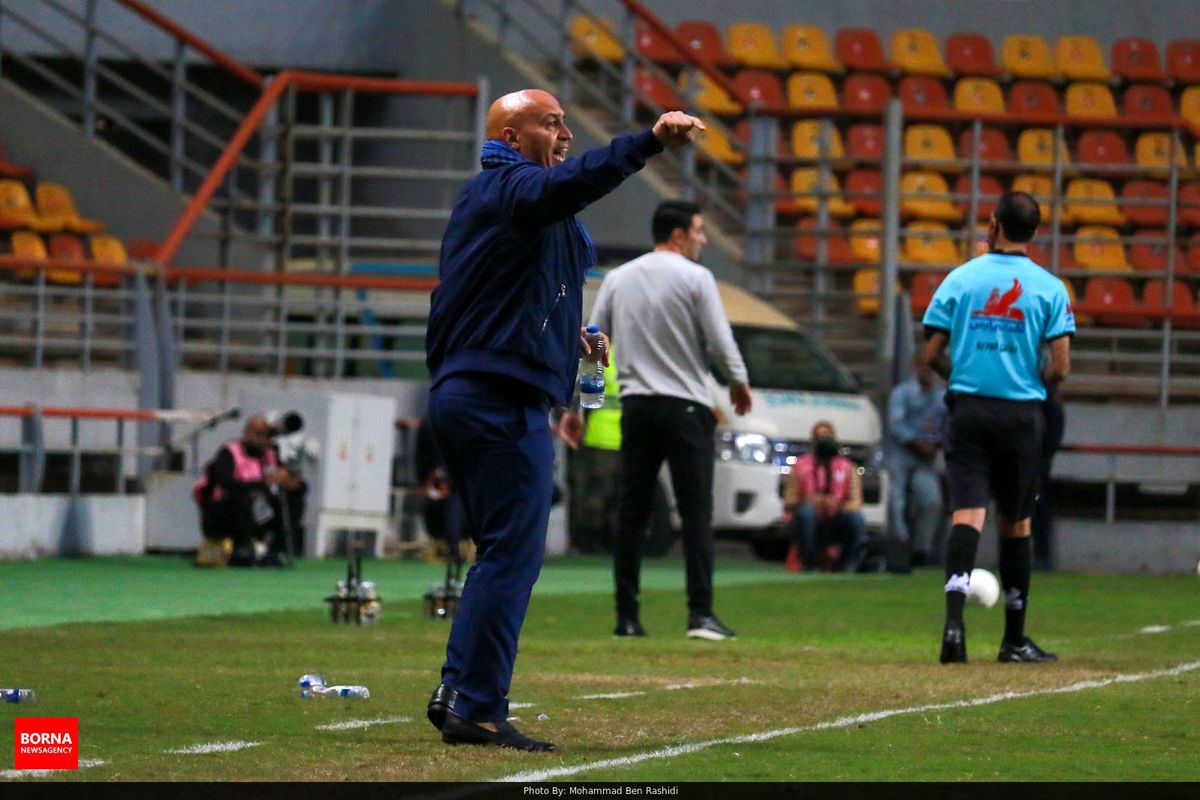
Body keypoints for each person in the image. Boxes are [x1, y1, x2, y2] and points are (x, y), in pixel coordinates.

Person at [422, 89, 705, 752]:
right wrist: (647, 142)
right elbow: (569, 188)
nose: (566, 134)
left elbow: (505, 290)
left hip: (478, 392)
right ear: (512, 137)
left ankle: (458, 688)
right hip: (496, 400)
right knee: (511, 556)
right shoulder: (513, 188)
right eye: (551, 123)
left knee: (499, 552)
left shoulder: (509, 202)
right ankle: (478, 706)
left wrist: (567, 338)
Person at [576, 199, 752, 642]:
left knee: (632, 514)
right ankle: (700, 615)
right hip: (686, 409)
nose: (703, 239)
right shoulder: (697, 278)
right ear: (678, 234)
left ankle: (627, 618)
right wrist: (738, 381)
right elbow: (718, 339)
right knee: (695, 513)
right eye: (698, 230)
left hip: (637, 408)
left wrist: (587, 403)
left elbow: (595, 341)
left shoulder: (618, 278)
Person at [920, 191, 1073, 664]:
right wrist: (1032, 384)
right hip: (1021, 415)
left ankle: (953, 629)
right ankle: (1014, 639)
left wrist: (962, 380)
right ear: (1034, 232)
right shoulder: (1050, 288)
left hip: (968, 412)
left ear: (993, 224)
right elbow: (1062, 367)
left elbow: (928, 356)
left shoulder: (960, 278)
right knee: (1016, 522)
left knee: (966, 515)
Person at [193, 415, 302, 567]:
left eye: (265, 435)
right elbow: (227, 484)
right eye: (257, 434)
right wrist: (264, 483)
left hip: (259, 511)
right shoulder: (229, 452)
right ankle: (240, 549)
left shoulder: (270, 454)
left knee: (295, 495)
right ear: (246, 433)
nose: (261, 439)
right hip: (223, 513)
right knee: (242, 498)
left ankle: (276, 550)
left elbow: (281, 477)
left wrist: (288, 482)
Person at [886, 354, 948, 567]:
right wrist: (916, 442)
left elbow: (947, 425)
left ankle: (922, 550)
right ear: (916, 366)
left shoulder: (942, 397)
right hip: (902, 454)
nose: (927, 370)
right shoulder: (902, 393)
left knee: (931, 500)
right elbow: (896, 425)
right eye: (923, 365)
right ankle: (899, 544)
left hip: (926, 458)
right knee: (896, 499)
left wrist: (937, 442)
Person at [784, 421, 867, 573]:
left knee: (856, 519)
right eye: (819, 437)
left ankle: (847, 564)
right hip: (810, 519)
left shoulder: (848, 467)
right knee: (806, 514)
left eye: (827, 437)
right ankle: (808, 562)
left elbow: (856, 502)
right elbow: (789, 501)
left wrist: (838, 506)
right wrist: (812, 501)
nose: (823, 441)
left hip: (837, 518)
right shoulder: (799, 466)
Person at [1031, 385, 1065, 569]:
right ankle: (1011, 555)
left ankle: (1041, 555)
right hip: (1018, 464)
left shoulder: (1047, 401)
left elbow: (1053, 436)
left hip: (1037, 467)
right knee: (1010, 509)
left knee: (1038, 508)